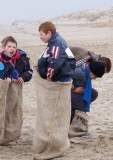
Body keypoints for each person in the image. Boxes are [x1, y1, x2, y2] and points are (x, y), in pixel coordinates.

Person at [33, 21, 75, 160]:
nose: (40, 37)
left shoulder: (57, 43)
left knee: (54, 114)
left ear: (49, 33)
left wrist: (48, 77)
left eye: (41, 34)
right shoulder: (55, 42)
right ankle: (52, 143)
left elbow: (55, 62)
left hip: (59, 81)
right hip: (61, 79)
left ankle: (54, 146)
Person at [0, 36, 33, 145]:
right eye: (9, 46)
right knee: (1, 111)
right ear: (4, 47)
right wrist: (5, 77)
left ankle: (10, 136)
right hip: (2, 90)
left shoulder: (23, 59)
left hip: (15, 90)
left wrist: (23, 77)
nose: (12, 49)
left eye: (14, 47)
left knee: (14, 112)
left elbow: (29, 71)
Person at [69, 61, 105, 138]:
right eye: (95, 77)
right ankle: (78, 131)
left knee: (93, 94)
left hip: (78, 91)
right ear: (92, 72)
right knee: (81, 104)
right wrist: (74, 89)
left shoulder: (87, 72)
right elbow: (63, 77)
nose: (94, 79)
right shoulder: (79, 73)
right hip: (70, 93)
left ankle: (76, 114)